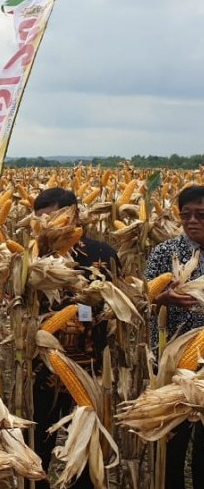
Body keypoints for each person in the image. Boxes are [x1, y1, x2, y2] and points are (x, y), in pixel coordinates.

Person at [32, 187, 121, 489]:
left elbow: (119, 308)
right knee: (40, 437)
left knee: (84, 438)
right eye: (42, 221)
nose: (48, 228)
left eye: (55, 219)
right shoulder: (34, 255)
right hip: (44, 368)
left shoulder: (103, 255)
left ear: (75, 215)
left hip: (90, 365)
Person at [146, 184, 204, 488]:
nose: (192, 221)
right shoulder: (164, 252)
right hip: (170, 358)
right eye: (186, 215)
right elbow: (140, 299)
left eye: (201, 215)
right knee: (172, 436)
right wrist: (161, 298)